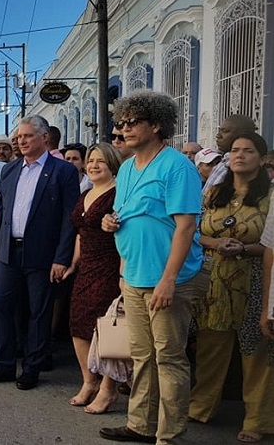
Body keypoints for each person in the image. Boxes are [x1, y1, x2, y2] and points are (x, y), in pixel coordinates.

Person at [99, 91, 206, 444]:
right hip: (134, 275)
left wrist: (169, 280)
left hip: (168, 279)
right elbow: (126, 212)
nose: (124, 129)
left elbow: (186, 227)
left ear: (156, 125)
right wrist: (110, 222)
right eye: (121, 123)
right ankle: (141, 425)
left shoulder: (177, 166)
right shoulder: (128, 167)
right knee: (142, 357)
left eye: (133, 123)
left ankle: (169, 435)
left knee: (169, 358)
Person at [0, 115, 80, 390]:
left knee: (38, 312)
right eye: (18, 137)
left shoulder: (63, 171)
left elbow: (70, 218)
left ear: (44, 138)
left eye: (27, 136)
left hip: (43, 255)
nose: (21, 141)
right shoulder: (10, 170)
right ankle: (4, 364)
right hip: (8, 252)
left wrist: (62, 257)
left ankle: (32, 368)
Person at [190, 132, 274, 443]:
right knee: (211, 346)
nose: (239, 155)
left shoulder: (270, 196)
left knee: (257, 352)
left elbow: (272, 243)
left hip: (255, 278)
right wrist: (216, 242)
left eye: (248, 151)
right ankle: (201, 407)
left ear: (261, 158)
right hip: (214, 278)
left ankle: (257, 419)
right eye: (235, 150)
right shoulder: (213, 193)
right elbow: (194, 231)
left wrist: (243, 248)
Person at [62, 143, 123, 414]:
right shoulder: (85, 192)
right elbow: (80, 233)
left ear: (112, 164)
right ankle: (89, 381)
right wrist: (73, 263)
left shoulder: (119, 193)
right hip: (86, 266)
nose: (95, 165)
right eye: (91, 160)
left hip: (110, 265)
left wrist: (123, 273)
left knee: (107, 329)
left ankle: (108, 390)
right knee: (78, 323)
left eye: (101, 160)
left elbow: (125, 235)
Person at [203, 114, 258, 193]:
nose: (218, 135)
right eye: (219, 131)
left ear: (242, 134)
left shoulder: (239, 165)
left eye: (225, 131)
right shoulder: (224, 161)